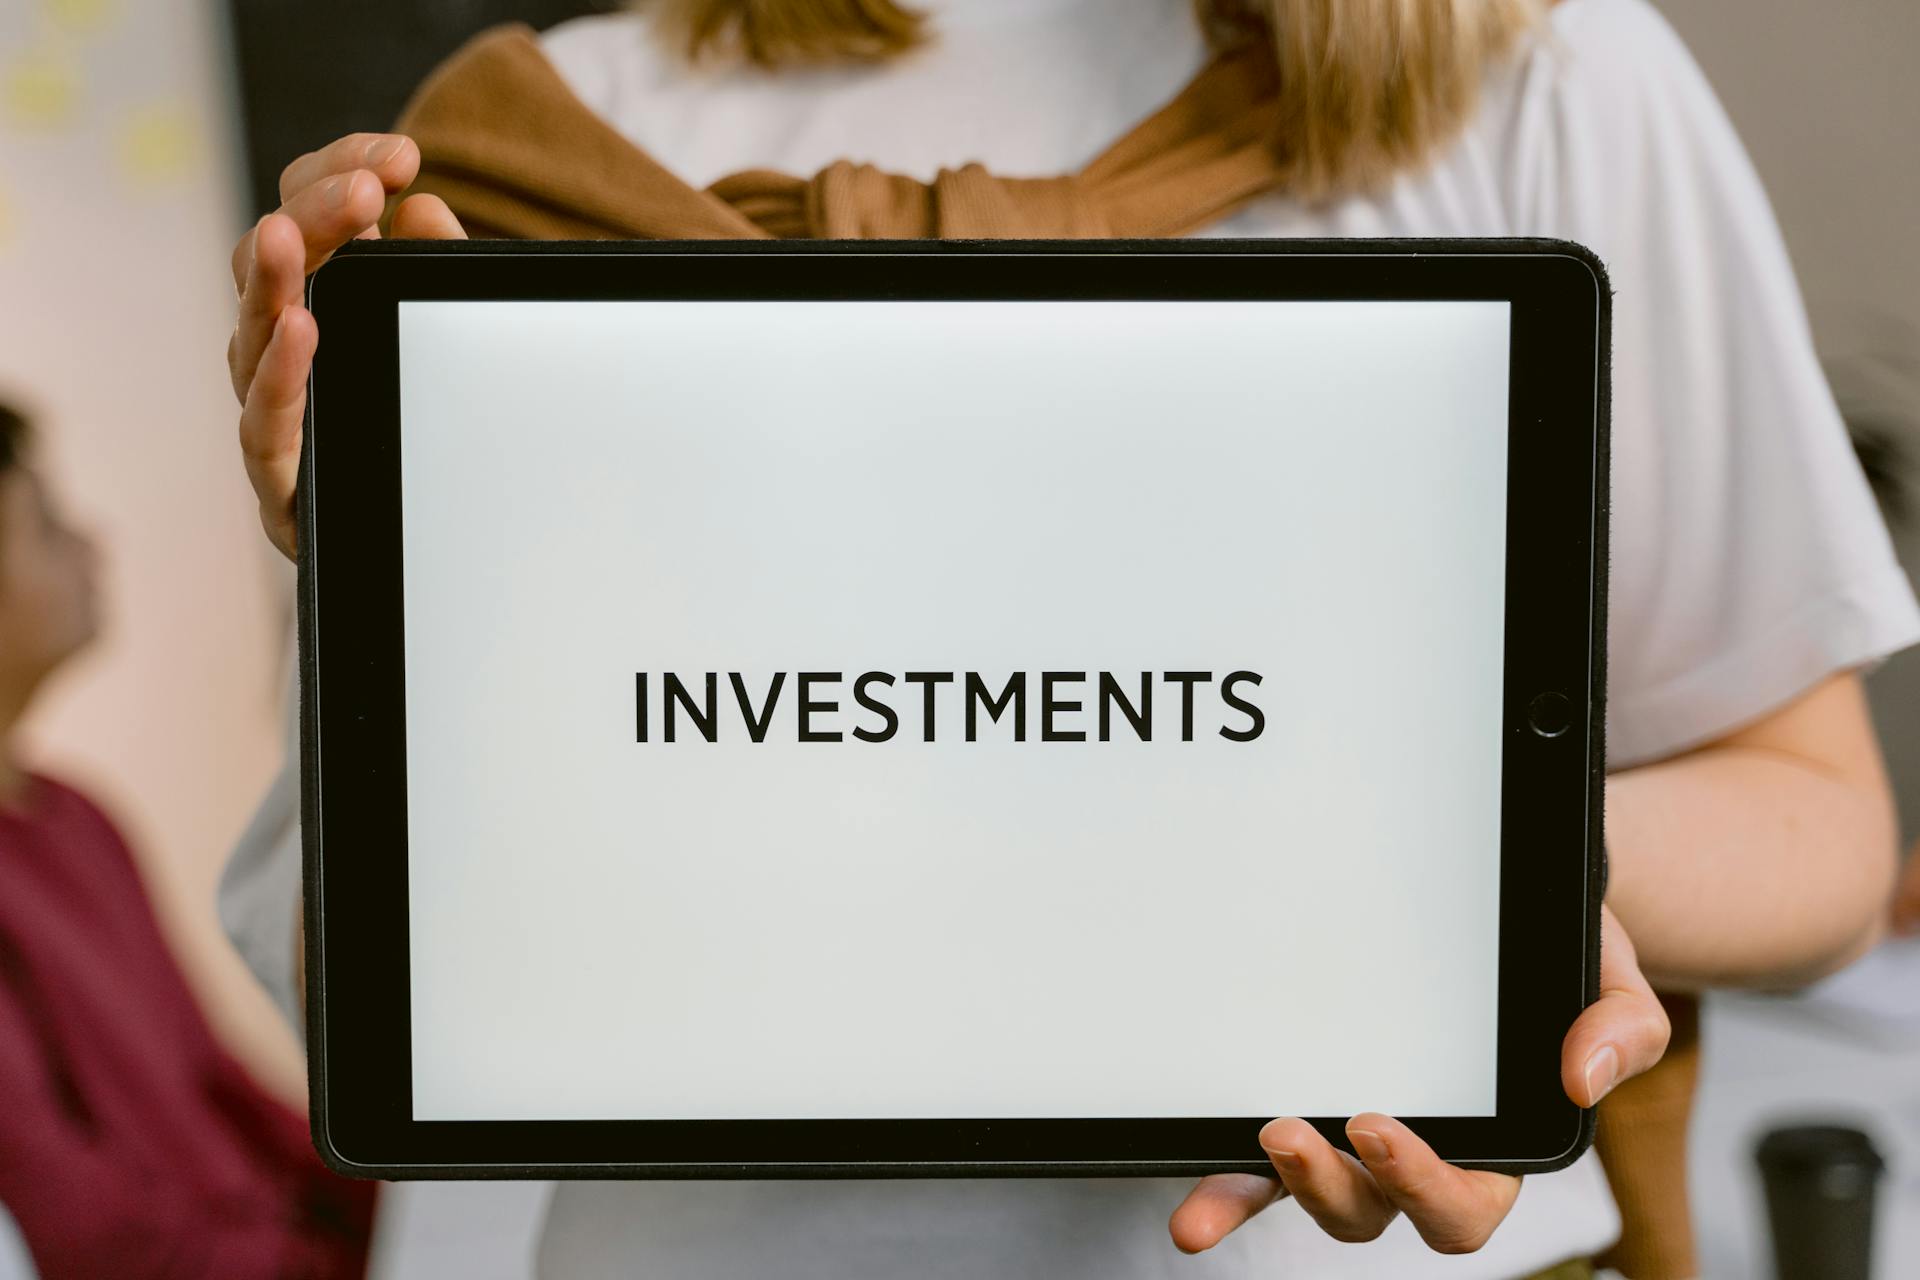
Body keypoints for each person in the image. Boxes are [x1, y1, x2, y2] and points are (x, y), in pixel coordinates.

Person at [219, 0, 1919, 1275]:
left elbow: (1825, 828)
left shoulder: (1525, 62)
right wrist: (408, 586)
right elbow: (373, 983)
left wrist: (1450, 878)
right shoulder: (543, 135)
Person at [0, 403, 376, 1278]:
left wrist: (399, 1206)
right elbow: (69, 1212)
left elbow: (217, 1083)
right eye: (44, 523)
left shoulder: (79, 819)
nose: (91, 541)